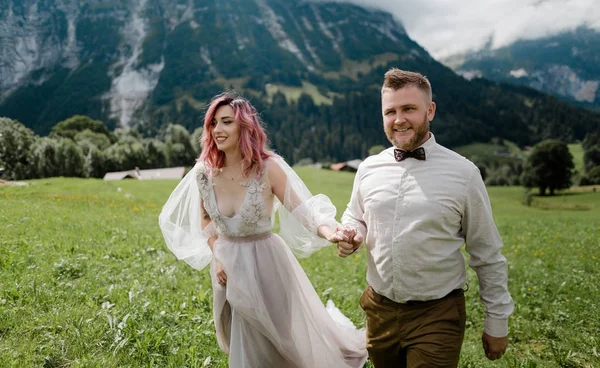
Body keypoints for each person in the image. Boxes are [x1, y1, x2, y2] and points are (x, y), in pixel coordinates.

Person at [159, 92, 368, 368]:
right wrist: (219, 255)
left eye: (226, 122)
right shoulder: (203, 173)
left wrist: (331, 233)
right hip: (227, 267)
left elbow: (303, 211)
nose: (218, 130)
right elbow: (206, 220)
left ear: (244, 127)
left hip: (266, 262)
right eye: (213, 124)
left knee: (281, 341)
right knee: (242, 341)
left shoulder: (268, 168)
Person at [336, 69, 514, 368]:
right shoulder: (368, 168)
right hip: (378, 310)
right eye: (390, 111)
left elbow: (487, 252)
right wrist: (351, 233)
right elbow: (355, 215)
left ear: (429, 110)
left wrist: (497, 321)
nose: (399, 119)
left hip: (437, 314)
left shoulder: (463, 174)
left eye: (409, 109)